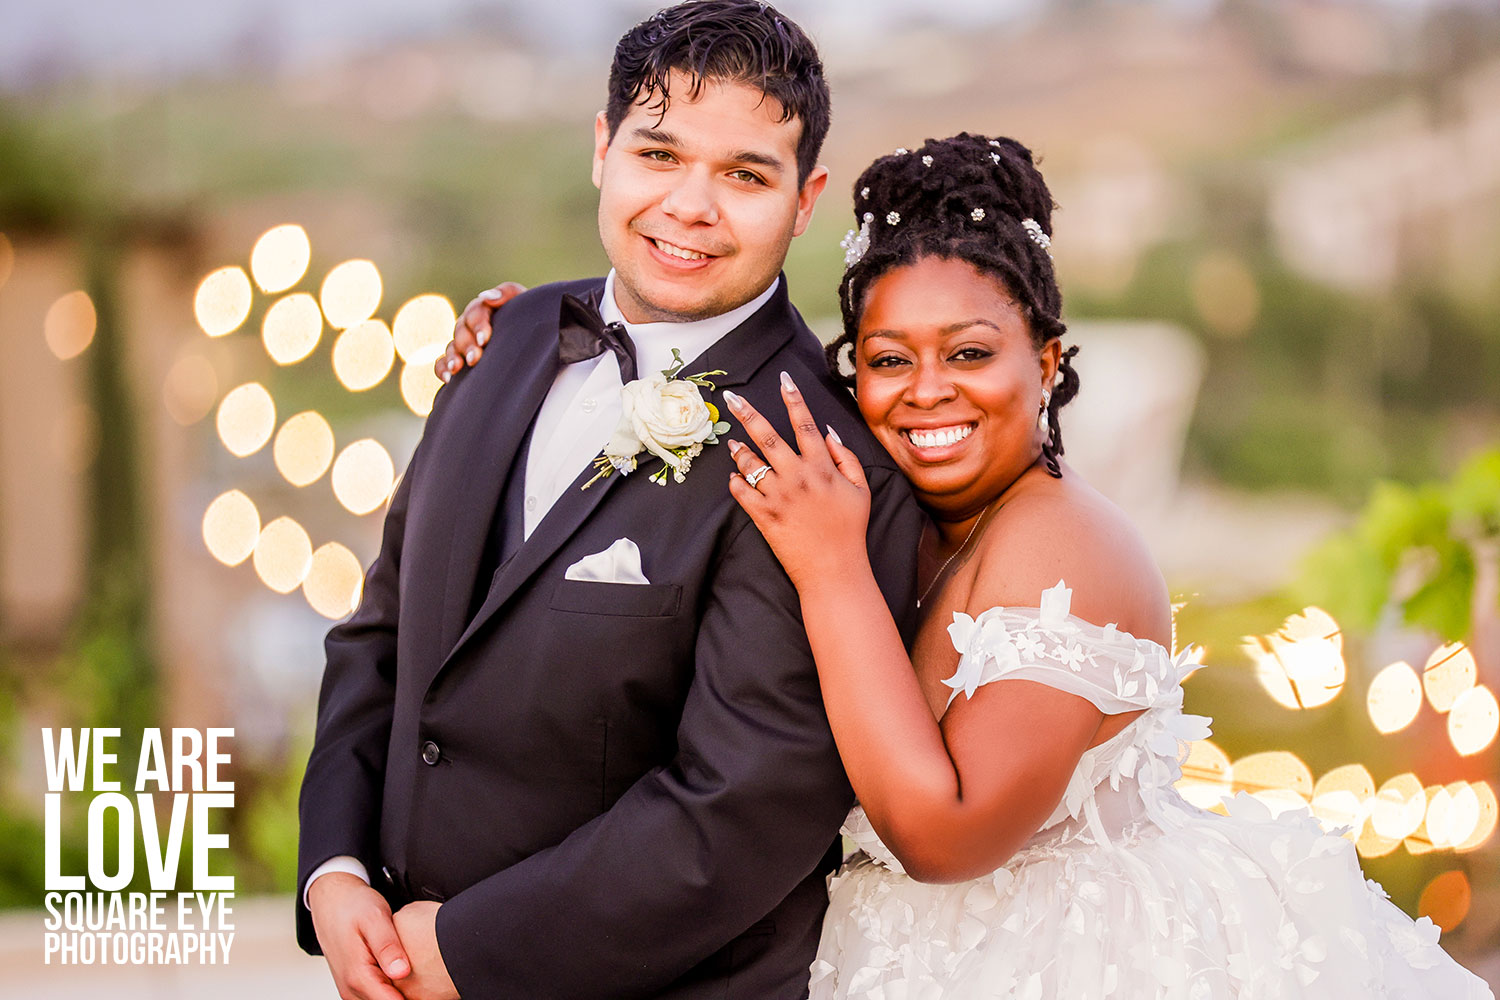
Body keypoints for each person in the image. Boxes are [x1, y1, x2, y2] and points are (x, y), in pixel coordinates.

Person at [443, 133, 1495, 998]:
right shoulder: (887, 504)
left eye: (971, 352)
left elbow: (944, 831)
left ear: (1044, 360)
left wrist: (833, 573)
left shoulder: (1063, 546)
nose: (927, 390)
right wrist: (543, 334)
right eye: (890, 358)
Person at [296, 3, 922, 999]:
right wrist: (333, 869)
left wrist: (466, 946)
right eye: (659, 154)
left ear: (805, 202)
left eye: (745, 175)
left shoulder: (828, 464)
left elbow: (737, 812)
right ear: (602, 150)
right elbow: (380, 631)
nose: (690, 206)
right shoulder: (502, 338)